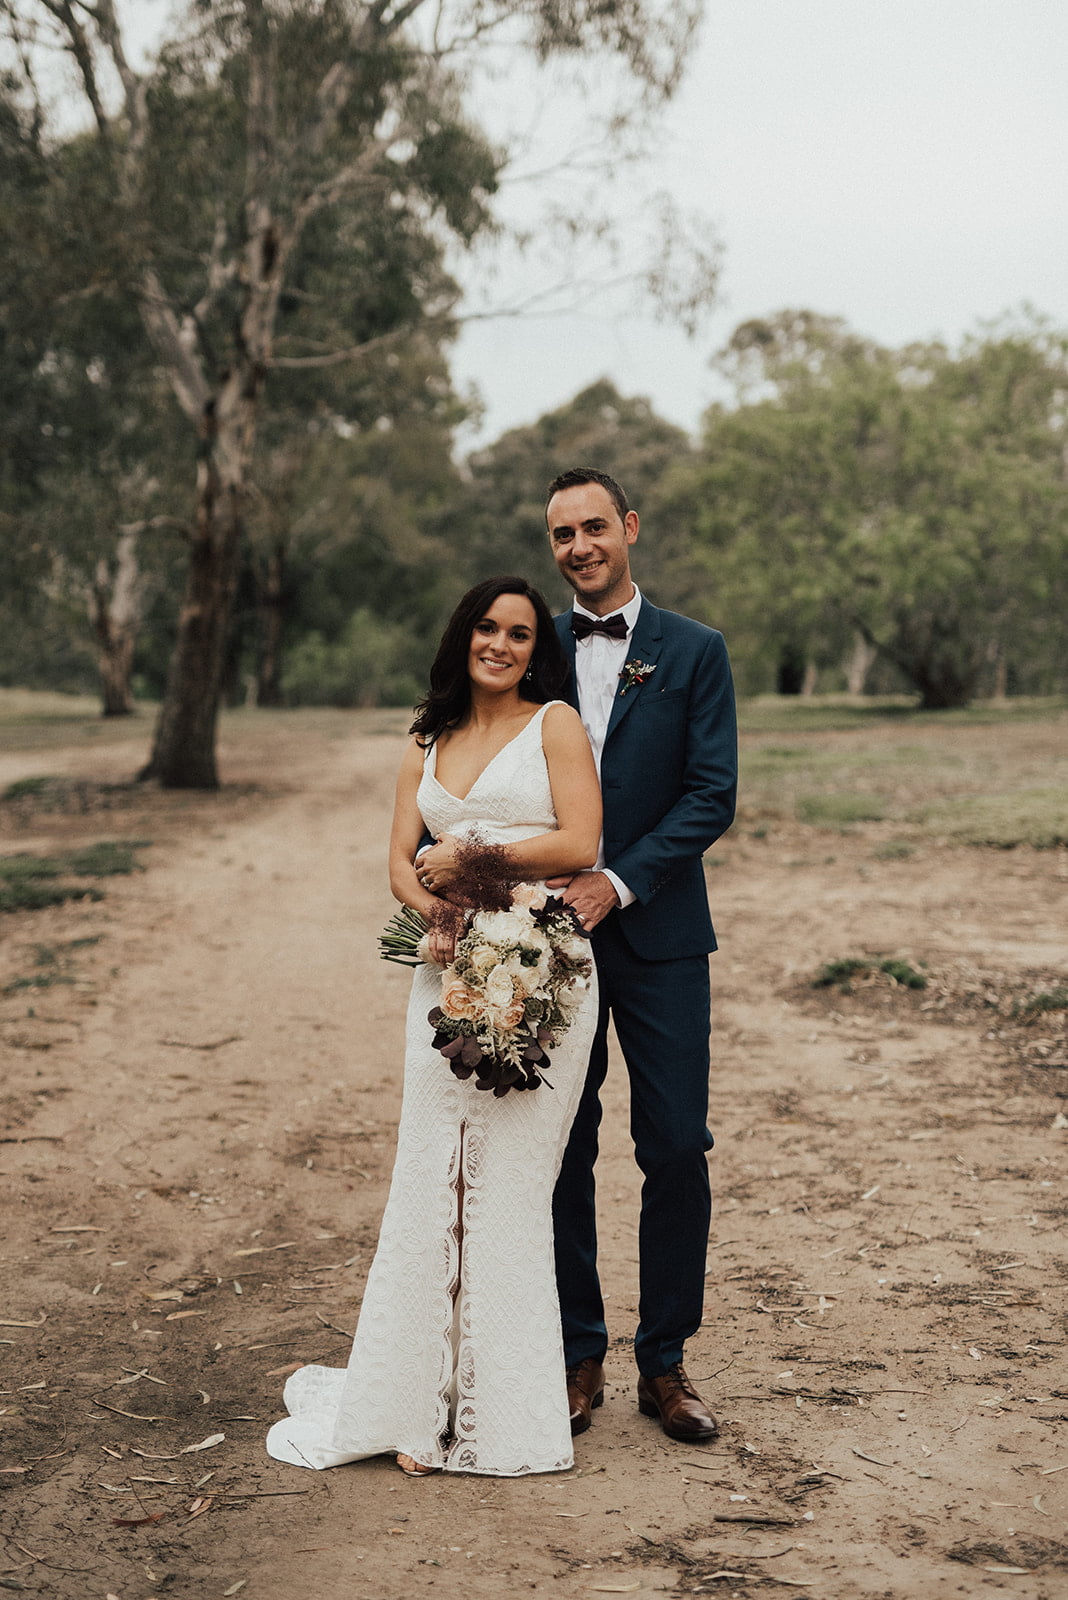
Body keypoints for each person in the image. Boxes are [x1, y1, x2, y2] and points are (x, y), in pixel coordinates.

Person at [266, 575, 602, 1478]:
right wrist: (451, 931)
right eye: (487, 628)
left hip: (543, 971)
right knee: (430, 1181)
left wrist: (475, 864)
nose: (501, 645)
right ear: (464, 636)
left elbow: (579, 842)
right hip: (447, 972)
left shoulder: (555, 725)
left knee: (509, 1190)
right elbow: (398, 867)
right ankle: (417, 1405)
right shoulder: (426, 735)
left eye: (520, 634)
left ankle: (497, 1414)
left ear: (536, 650)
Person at [544, 467, 737, 1444]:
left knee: (675, 1146)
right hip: (548, 943)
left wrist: (616, 882)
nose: (579, 546)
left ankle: (664, 1362)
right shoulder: (530, 645)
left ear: (628, 527)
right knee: (559, 1145)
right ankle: (577, 1354)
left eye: (593, 527)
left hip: (660, 937)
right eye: (561, 535)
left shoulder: (696, 650)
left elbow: (711, 794)